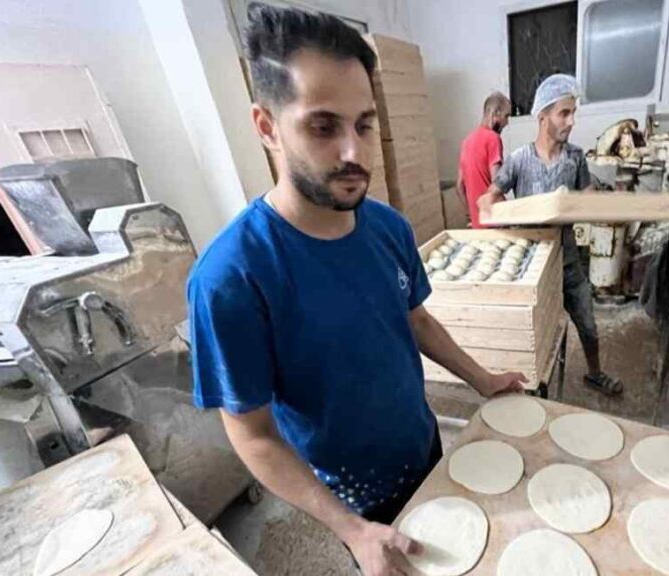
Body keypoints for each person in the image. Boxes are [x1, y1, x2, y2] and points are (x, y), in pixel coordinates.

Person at [187, 5, 527, 576]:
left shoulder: (388, 228)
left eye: (364, 125)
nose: (354, 152)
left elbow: (416, 321)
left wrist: (482, 379)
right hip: (352, 496)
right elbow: (253, 435)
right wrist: (352, 530)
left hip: (423, 447)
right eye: (323, 127)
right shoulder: (231, 278)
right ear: (267, 127)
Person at [478, 74, 623, 396]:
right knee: (538, 332)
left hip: (568, 257)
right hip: (532, 264)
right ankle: (533, 385)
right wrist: (494, 208)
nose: (571, 121)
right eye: (564, 113)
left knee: (587, 322)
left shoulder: (575, 158)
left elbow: (588, 198)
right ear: (542, 116)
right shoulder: (519, 160)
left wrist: (604, 205)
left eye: (573, 113)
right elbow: (492, 195)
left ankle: (595, 373)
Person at [456, 92, 511, 228]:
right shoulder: (493, 139)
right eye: (506, 116)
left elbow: (459, 187)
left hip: (478, 225)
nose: (507, 122)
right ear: (496, 113)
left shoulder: (466, 141)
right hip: (494, 223)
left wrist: (471, 214)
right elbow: (497, 184)